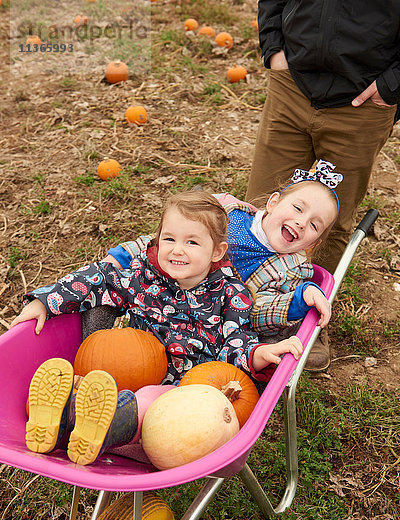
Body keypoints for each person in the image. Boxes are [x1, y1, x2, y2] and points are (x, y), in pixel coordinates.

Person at [10, 190, 302, 465]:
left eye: (192, 242)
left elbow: (236, 342)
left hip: (185, 395)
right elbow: (100, 277)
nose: (177, 250)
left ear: (217, 251)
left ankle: (90, 426)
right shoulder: (143, 277)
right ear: (157, 240)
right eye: (169, 239)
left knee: (149, 402)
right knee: (108, 389)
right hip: (131, 373)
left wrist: (260, 354)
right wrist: (45, 301)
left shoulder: (231, 294)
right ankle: (63, 418)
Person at [245, 0, 399, 369]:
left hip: (362, 103)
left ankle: (305, 315)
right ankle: (237, 304)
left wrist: (391, 84)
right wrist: (274, 49)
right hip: (291, 84)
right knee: (261, 204)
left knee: (328, 223)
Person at [107, 161, 340, 342]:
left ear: (313, 243)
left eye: (314, 225)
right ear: (273, 203)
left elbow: (257, 314)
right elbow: (170, 239)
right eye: (298, 208)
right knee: (105, 291)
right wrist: (124, 255)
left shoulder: (290, 271)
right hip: (162, 290)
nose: (301, 222)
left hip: (205, 326)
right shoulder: (227, 213)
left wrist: (296, 301)